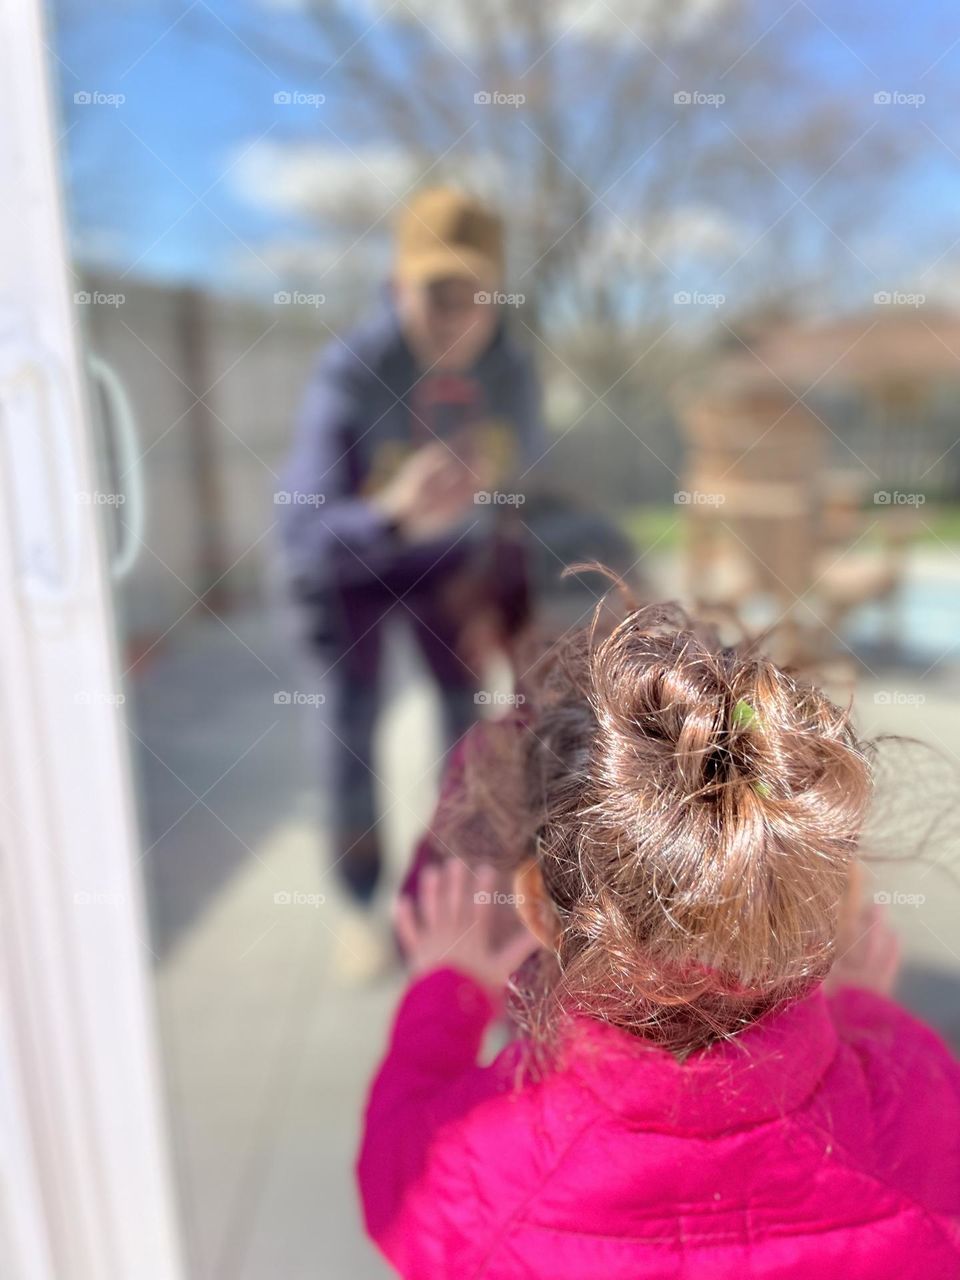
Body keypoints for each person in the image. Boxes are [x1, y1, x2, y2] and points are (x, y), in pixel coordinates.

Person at [357, 595, 960, 1278]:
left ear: (535, 906)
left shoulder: (479, 1173)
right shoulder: (929, 1121)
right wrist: (863, 1011)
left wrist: (449, 994)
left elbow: (393, 1177)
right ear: (836, 900)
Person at [277, 187, 543, 908]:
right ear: (397, 290)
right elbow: (300, 533)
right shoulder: (352, 373)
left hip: (447, 568)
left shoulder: (512, 372)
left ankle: (453, 887)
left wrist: (516, 601)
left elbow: (529, 488)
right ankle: (359, 898)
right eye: (437, 295)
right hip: (350, 571)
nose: (458, 319)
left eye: (475, 296)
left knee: (466, 717)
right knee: (349, 723)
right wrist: (391, 516)